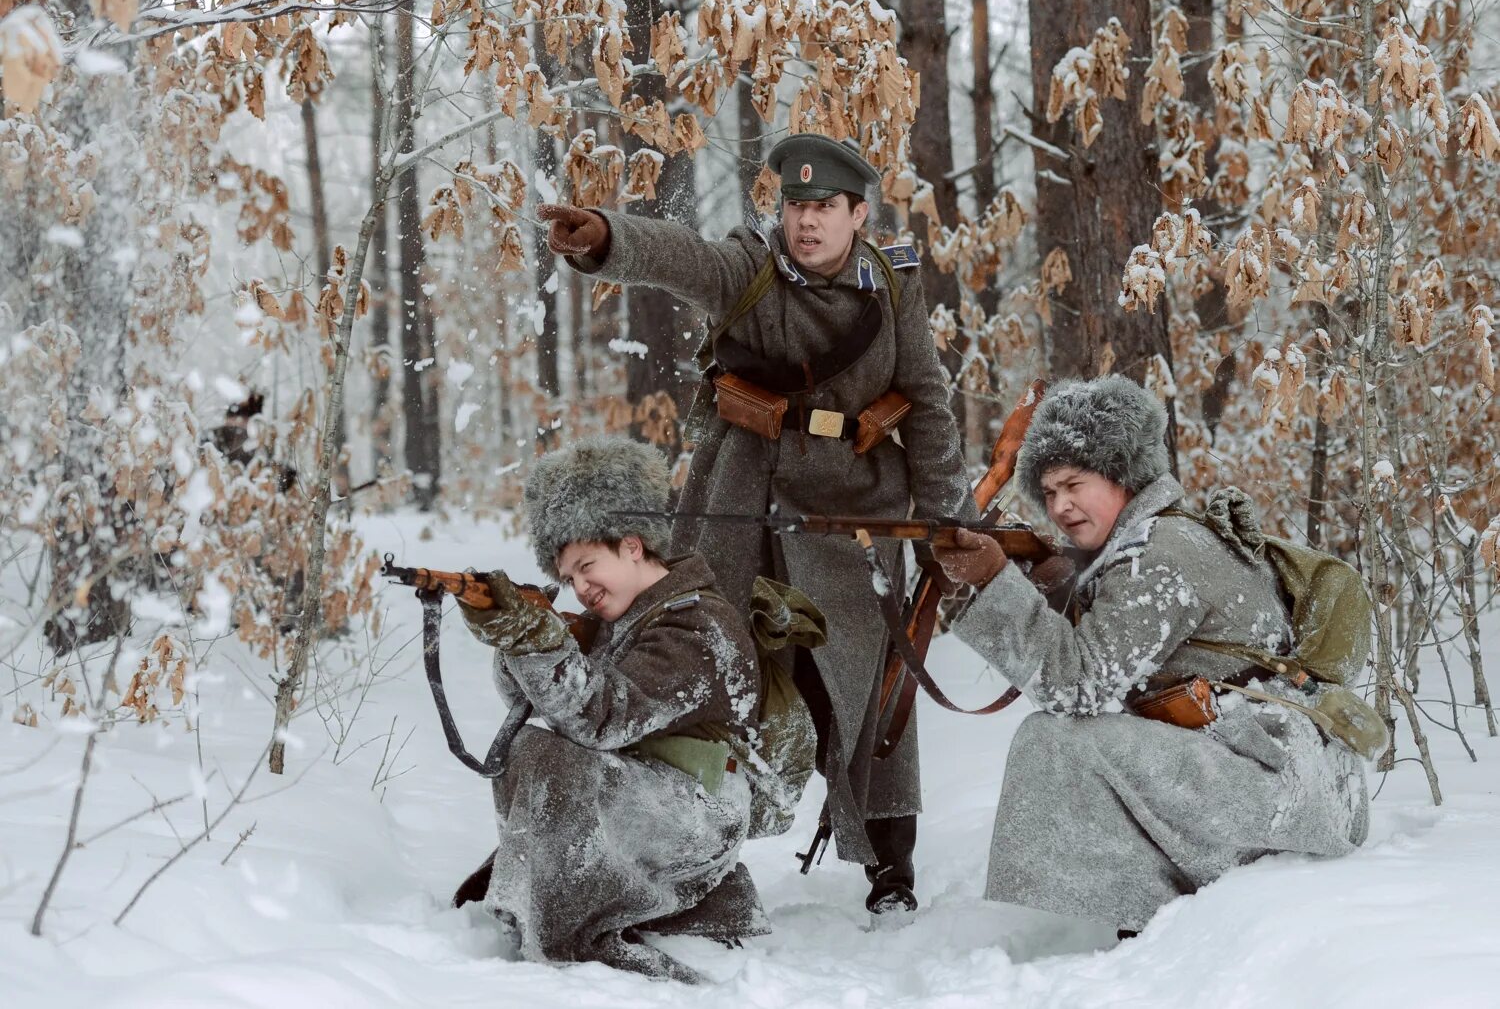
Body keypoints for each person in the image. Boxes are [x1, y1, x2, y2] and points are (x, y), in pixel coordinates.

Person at [537, 133, 974, 916]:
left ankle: (891, 871)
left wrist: (952, 522)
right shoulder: (754, 264)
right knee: (694, 663)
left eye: (823, 208)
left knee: (871, 692)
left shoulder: (893, 288)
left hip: (853, 516)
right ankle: (663, 849)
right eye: (795, 205)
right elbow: (684, 258)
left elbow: (930, 407)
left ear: (857, 214)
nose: (806, 222)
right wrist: (607, 239)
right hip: (743, 502)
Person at [932, 375, 1370, 935]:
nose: (1060, 506)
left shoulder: (1158, 554)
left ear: (1123, 474)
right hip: (1291, 780)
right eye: (1048, 493)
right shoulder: (1165, 538)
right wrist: (1053, 585)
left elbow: (1078, 684)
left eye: (1073, 484)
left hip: (1280, 793)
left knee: (1056, 738)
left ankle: (1144, 928)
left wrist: (995, 579)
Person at [455, 436, 766, 982]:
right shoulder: (615, 624)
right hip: (654, 793)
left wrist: (538, 641)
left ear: (632, 544)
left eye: (586, 565)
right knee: (536, 748)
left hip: (701, 808)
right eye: (568, 578)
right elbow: (539, 704)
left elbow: (603, 718)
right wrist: (515, 640)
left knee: (544, 755)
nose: (579, 588)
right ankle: (595, 907)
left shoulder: (699, 625)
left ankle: (575, 940)